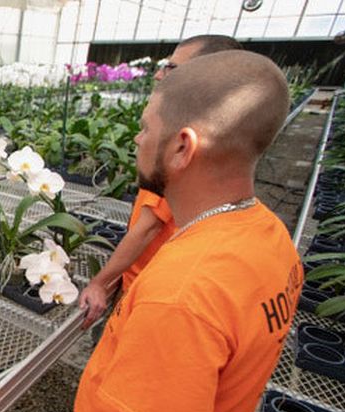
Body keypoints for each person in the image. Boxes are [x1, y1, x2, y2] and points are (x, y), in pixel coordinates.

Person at [50, 50, 303, 412]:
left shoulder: (180, 292)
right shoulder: (273, 242)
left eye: (147, 127)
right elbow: (224, 386)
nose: (137, 139)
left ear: (183, 147)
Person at [79, 34, 243, 327]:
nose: (159, 74)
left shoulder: (181, 142)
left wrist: (100, 282)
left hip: (146, 290)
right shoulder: (221, 135)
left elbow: (147, 227)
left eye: (171, 67)